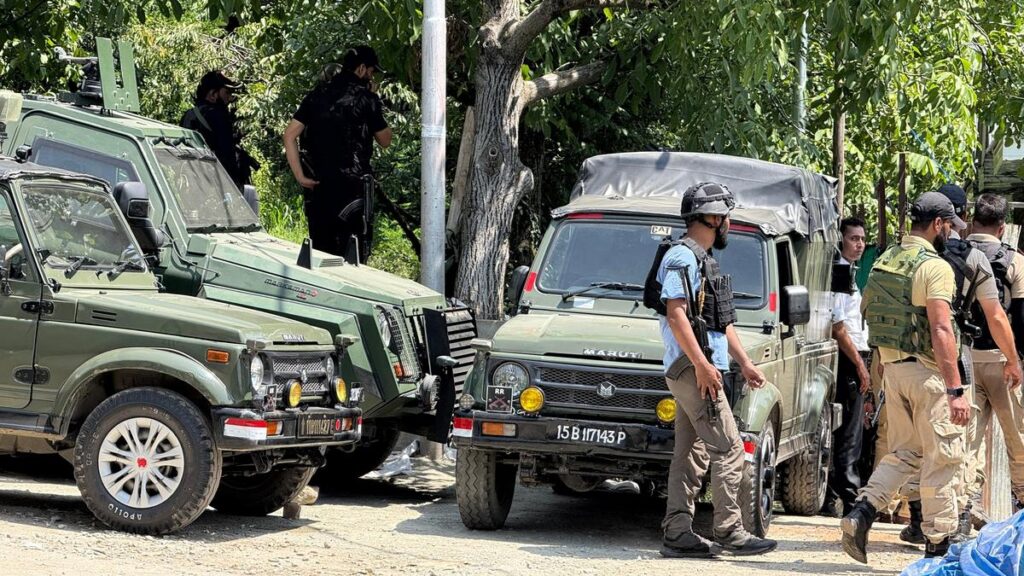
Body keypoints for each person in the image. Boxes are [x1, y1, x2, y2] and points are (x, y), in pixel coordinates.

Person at [841, 192, 970, 563]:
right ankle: (938, 549)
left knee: (904, 453)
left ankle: (861, 512)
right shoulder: (934, 267)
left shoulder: (885, 260)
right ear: (938, 225)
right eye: (950, 226)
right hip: (929, 374)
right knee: (942, 458)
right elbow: (941, 328)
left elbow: (871, 312)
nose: (951, 233)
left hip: (892, 370)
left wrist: (885, 362)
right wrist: (955, 390)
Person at [656, 182, 776, 558]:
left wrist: (744, 362)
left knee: (690, 453)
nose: (728, 224)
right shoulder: (681, 258)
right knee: (729, 449)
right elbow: (676, 314)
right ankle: (730, 531)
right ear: (711, 218)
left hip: (698, 368)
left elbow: (720, 322)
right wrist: (703, 366)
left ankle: (677, 532)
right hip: (694, 371)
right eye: (725, 217)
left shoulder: (702, 259)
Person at [283, 46, 392, 263]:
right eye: (371, 71)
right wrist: (374, 98)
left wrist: (299, 175)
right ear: (362, 69)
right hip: (354, 189)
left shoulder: (316, 95)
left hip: (319, 186)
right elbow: (386, 140)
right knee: (355, 255)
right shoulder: (366, 99)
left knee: (321, 254)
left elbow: (289, 136)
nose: (372, 76)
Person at [963, 193, 1024, 517]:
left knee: (968, 441)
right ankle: (1022, 511)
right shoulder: (1014, 260)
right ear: (1002, 227)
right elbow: (1023, 316)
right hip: (1004, 363)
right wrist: (1018, 361)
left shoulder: (956, 255)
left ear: (973, 221)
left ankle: (963, 508)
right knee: (1018, 440)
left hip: (965, 361)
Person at [825, 217, 872, 517]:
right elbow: (838, 326)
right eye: (853, 238)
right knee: (850, 431)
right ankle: (848, 496)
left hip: (857, 354)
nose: (859, 244)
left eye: (862, 239)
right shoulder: (840, 271)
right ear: (841, 239)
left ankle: (838, 493)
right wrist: (860, 365)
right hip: (850, 357)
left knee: (849, 427)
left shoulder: (849, 272)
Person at [180, 70, 256, 189]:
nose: (229, 98)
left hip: (193, 183)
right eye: (226, 92)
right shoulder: (217, 115)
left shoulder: (188, 115)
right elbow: (227, 155)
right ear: (213, 94)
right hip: (219, 184)